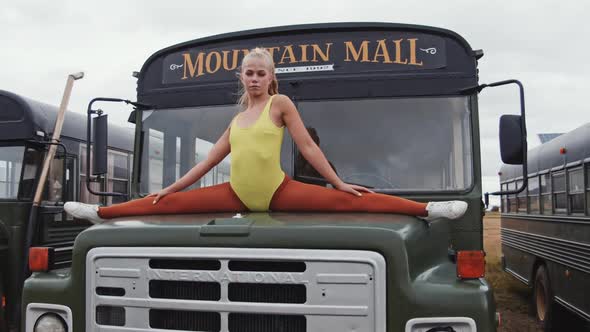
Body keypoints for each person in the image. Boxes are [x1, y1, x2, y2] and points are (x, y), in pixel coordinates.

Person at [64, 47, 467, 224]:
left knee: (351, 199)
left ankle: (427, 209)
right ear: (241, 77)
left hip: (277, 189)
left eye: (261, 73)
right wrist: (171, 188)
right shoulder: (237, 120)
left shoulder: (281, 105)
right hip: (237, 193)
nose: (254, 79)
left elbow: (307, 145)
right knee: (159, 203)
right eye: (249, 73)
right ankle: (99, 214)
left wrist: (337, 181)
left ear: (271, 78)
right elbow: (208, 162)